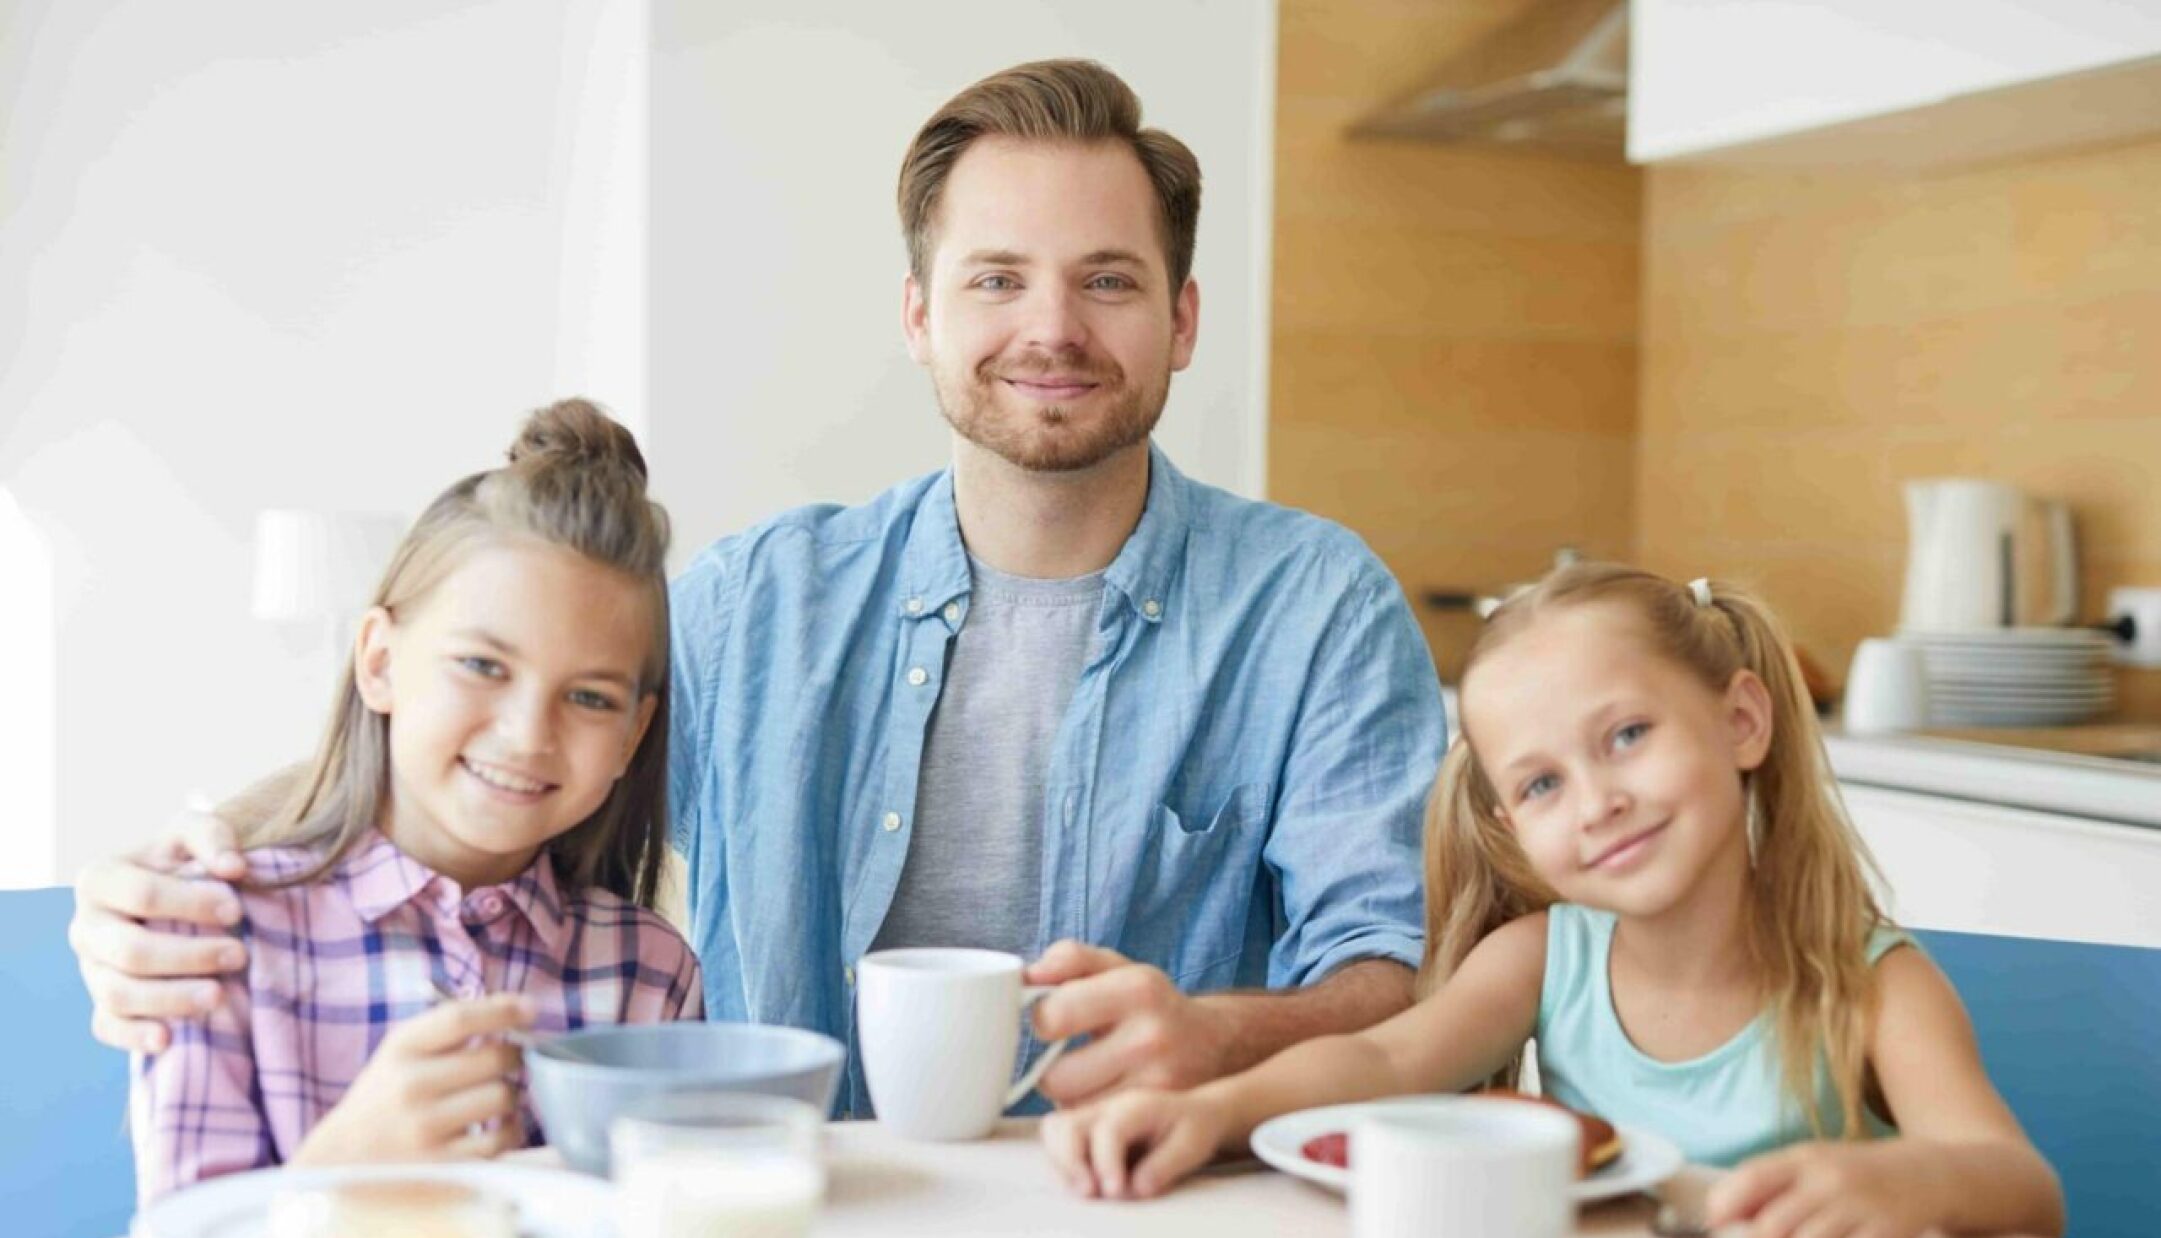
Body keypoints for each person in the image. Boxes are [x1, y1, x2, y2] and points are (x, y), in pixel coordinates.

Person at [75, 60, 1445, 1118]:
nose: (1051, 330)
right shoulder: (755, 600)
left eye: (1107, 280)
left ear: (1182, 320)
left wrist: (1214, 1032)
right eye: (996, 279)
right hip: (786, 1210)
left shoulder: (1314, 609)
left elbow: (1397, 976)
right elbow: (483, 745)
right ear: (919, 318)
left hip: (1152, 1217)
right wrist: (177, 867)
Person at [1043, 563, 2064, 1238]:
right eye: (1540, 784)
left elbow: (2019, 1185)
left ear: (1741, 720)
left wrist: (1912, 1185)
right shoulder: (1541, 957)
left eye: (1626, 735)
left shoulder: (1871, 985)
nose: (1596, 800)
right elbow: (1383, 1066)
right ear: (1509, 826)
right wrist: (1210, 1111)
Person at [129, 400, 700, 1200]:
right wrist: (339, 1174)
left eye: (590, 698)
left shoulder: (649, 969)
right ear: (380, 660)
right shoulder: (222, 938)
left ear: (634, 736)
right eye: (482, 666)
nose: (527, 734)